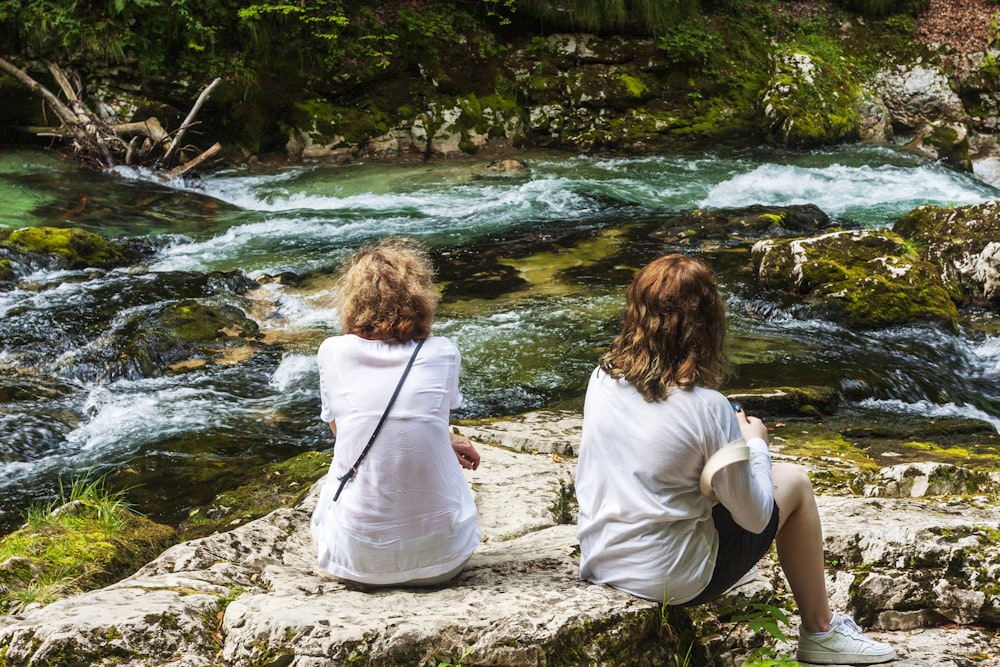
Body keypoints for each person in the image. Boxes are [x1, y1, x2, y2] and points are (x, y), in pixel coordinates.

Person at [575, 254, 896, 665]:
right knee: (792, 480)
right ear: (707, 323)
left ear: (636, 312)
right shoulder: (707, 407)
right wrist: (755, 443)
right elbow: (757, 518)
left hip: (600, 558)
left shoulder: (602, 377)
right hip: (670, 578)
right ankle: (821, 631)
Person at [310, 237, 482, 587]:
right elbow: (420, 416)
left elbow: (343, 432)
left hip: (357, 562)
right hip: (442, 559)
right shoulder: (443, 352)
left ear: (353, 300)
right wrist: (447, 438)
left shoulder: (332, 352)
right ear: (419, 297)